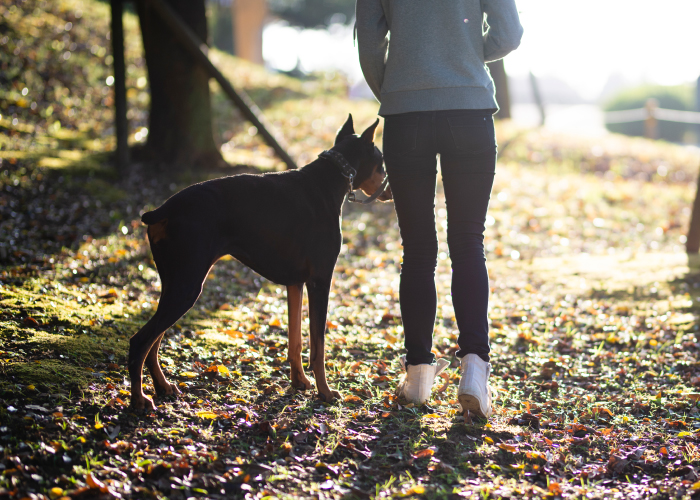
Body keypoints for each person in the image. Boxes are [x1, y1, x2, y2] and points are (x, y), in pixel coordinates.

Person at [356, 0, 523, 418]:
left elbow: (369, 43)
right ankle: (474, 372)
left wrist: (398, 87)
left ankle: (416, 377)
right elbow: (509, 32)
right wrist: (463, 52)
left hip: (405, 114)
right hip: (469, 110)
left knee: (417, 249)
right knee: (468, 242)